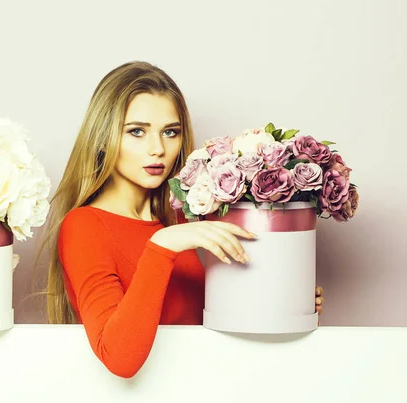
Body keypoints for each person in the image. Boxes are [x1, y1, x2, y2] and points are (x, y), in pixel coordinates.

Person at [40, 61, 324, 378]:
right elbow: (119, 358)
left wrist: (279, 299)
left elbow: (205, 329)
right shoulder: (85, 226)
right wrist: (162, 246)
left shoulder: (178, 217)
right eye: (136, 131)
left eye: (170, 132)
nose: (157, 149)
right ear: (103, 139)